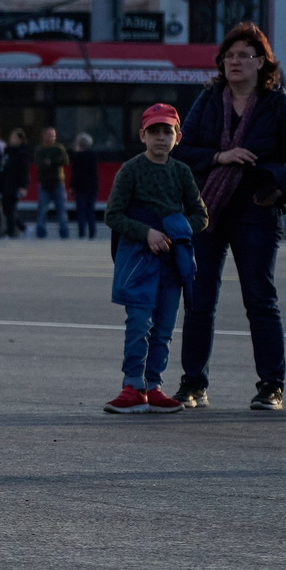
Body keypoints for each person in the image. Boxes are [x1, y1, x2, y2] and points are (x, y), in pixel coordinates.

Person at [171, 22, 286, 411]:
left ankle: (271, 386)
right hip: (209, 211)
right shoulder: (208, 100)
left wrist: (279, 192)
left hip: (256, 209)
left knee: (260, 299)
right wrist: (220, 156)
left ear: (261, 63)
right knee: (199, 300)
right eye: (229, 56)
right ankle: (193, 384)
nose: (235, 62)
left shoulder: (278, 103)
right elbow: (180, 150)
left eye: (244, 56)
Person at [102, 104, 205, 415]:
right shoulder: (131, 169)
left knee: (163, 327)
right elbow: (113, 215)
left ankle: (154, 385)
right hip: (137, 259)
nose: (161, 137)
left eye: (167, 131)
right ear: (142, 135)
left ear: (178, 136)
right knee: (139, 323)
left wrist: (176, 231)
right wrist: (147, 233)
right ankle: (132, 386)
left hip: (173, 260)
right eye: (154, 131)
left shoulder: (181, 172)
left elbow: (201, 216)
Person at [33, 127, 69, 240]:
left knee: (61, 211)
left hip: (58, 183)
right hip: (44, 184)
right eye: (49, 134)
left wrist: (50, 162)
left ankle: (64, 234)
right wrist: (53, 162)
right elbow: (40, 165)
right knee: (42, 211)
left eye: (53, 135)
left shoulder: (59, 148)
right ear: (43, 136)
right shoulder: (39, 149)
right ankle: (41, 234)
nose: (52, 137)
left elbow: (64, 160)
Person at [70, 132, 102, 240]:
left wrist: (72, 186)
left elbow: (75, 173)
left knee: (81, 210)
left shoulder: (77, 156)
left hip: (81, 187)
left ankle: (82, 233)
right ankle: (92, 232)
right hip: (92, 186)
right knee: (90, 210)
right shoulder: (93, 155)